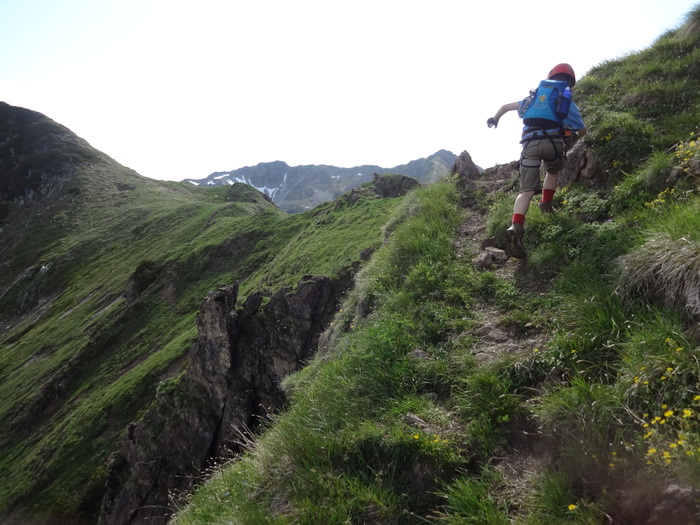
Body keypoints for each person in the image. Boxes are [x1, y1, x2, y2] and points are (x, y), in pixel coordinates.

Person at [487, 63, 586, 259]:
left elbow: (506, 107)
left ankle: (516, 225)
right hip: (554, 144)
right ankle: (546, 206)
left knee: (526, 190)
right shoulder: (565, 100)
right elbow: (582, 130)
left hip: (530, 145)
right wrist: (571, 132)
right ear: (570, 83)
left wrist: (495, 118)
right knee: (552, 170)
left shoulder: (533, 98)